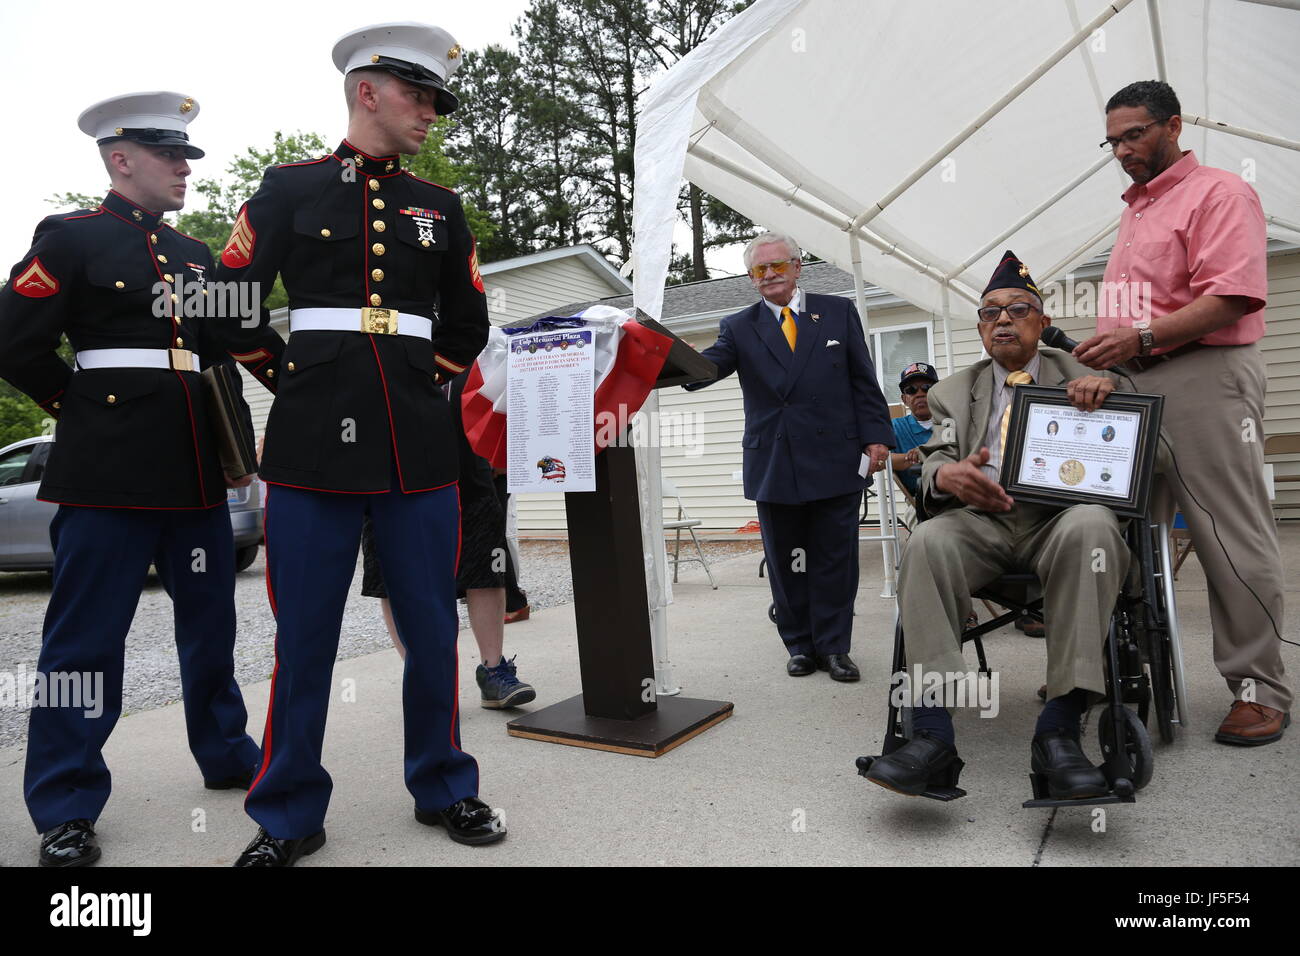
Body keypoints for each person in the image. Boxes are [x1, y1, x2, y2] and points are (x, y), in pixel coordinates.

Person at [215, 22, 503, 866]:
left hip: (417, 447)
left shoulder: (438, 206)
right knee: (303, 636)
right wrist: (287, 376)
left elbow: (469, 317)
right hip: (310, 448)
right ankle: (288, 811)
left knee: (429, 627)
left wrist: (427, 381)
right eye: (419, 97)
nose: (431, 115)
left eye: (437, 102)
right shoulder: (286, 188)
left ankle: (446, 784)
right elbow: (230, 298)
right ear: (367, 90)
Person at [0, 92, 269, 866]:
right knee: (83, 644)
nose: (185, 168)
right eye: (169, 155)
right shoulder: (71, 238)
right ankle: (65, 801)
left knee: (212, 626)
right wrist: (80, 410)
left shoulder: (194, 257)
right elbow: (15, 344)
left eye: (188, 155)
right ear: (120, 160)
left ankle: (225, 754)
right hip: (105, 476)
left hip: (193, 477)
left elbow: (232, 346)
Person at [863, 251, 1131, 801]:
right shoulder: (951, 391)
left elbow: (1159, 459)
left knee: (1092, 527)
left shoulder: (1089, 375)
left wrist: (1110, 408)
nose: (1002, 320)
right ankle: (933, 736)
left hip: (1059, 522)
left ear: (1040, 320)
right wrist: (950, 477)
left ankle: (1059, 731)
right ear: (981, 328)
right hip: (980, 520)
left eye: (1017, 310)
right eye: (989, 313)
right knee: (929, 541)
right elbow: (933, 460)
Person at [1075, 79, 1291, 746]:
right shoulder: (1134, 211)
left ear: (1173, 126)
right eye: (1112, 140)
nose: (1122, 150)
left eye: (1134, 134)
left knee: (1229, 532)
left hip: (1204, 376)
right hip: (1132, 386)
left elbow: (1231, 297)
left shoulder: (1221, 192)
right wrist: (1106, 365)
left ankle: (1259, 690)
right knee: (1129, 535)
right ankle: (1126, 672)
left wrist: (1138, 338)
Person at [686, 232, 894, 682]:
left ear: (799, 267)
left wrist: (877, 436)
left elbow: (864, 378)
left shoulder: (837, 312)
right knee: (787, 561)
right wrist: (666, 361)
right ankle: (799, 645)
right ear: (751, 278)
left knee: (836, 560)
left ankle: (835, 647)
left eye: (779, 265)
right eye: (761, 269)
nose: (771, 275)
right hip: (775, 463)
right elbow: (710, 365)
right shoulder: (738, 326)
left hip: (835, 457)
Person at [360, 371, 537, 709]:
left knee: (487, 569)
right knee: (391, 577)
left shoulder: (468, 341)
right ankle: (423, 679)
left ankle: (494, 672)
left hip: (467, 472)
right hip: (387, 472)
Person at [889, 362, 938, 498]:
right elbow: (881, 459)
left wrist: (922, 454)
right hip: (919, 501)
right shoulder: (895, 427)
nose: (920, 394)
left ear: (937, 392)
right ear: (904, 399)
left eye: (927, 388)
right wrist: (913, 457)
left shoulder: (952, 422)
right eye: (911, 390)